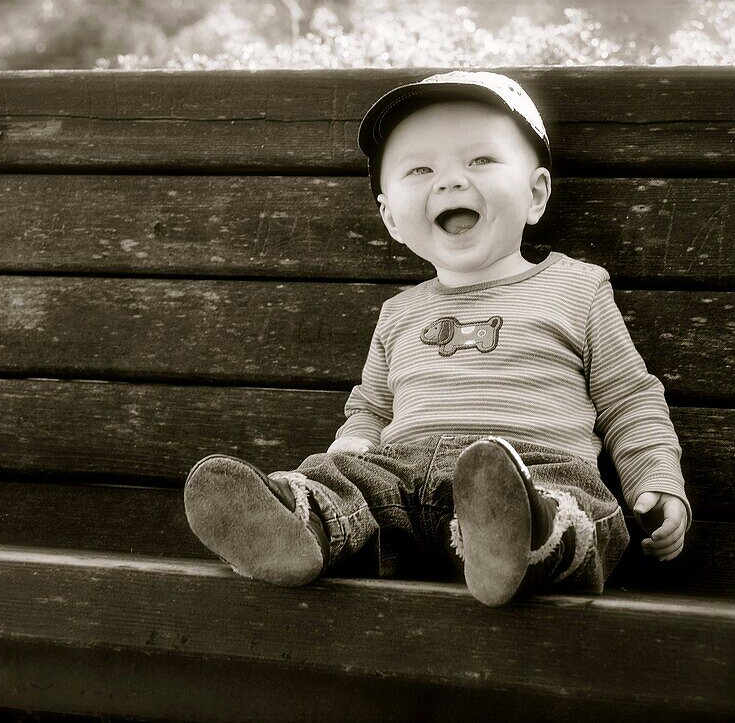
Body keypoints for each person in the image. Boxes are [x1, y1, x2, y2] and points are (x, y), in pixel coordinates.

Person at [184, 71, 690, 607]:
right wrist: (350, 450)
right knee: (348, 482)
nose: (449, 182)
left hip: (533, 466)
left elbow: (628, 399)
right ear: (391, 218)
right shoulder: (399, 314)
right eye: (420, 169)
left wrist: (654, 475)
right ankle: (299, 518)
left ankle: (526, 535)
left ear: (536, 193)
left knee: (577, 506)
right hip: (400, 476)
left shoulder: (577, 287)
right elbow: (371, 410)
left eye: (480, 161)